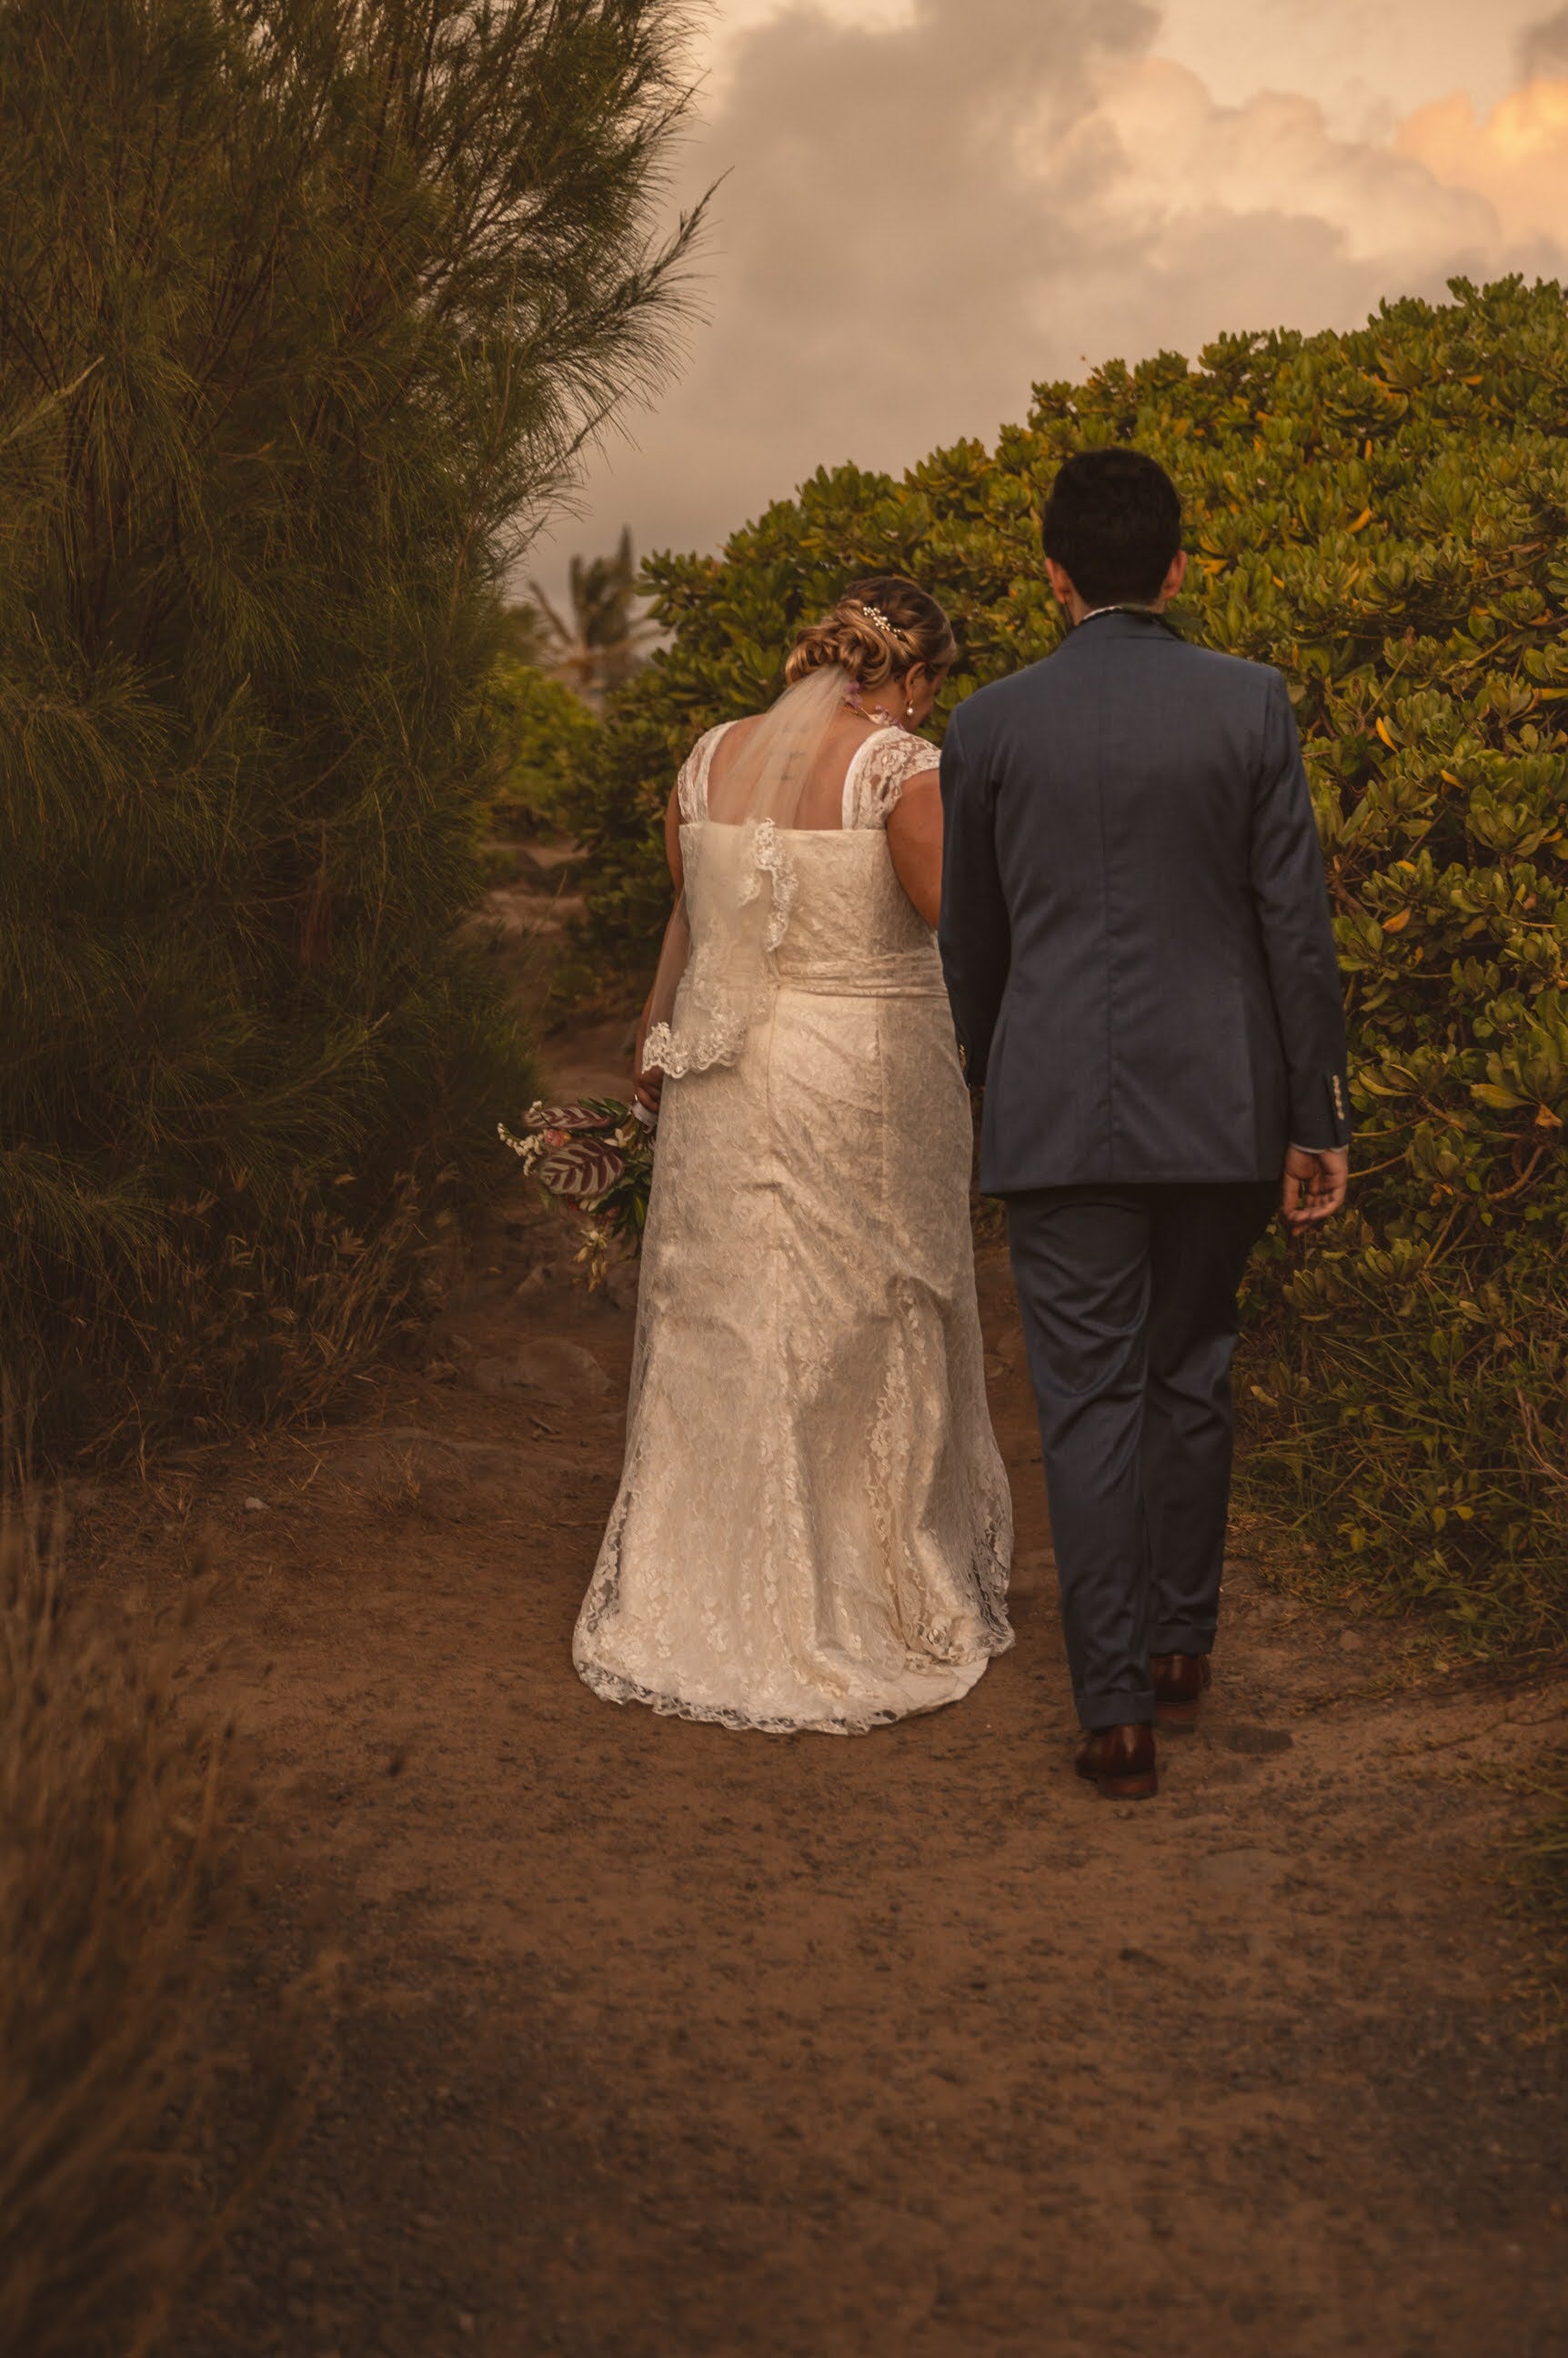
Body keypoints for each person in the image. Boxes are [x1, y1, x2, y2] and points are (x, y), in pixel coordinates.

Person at [940, 448, 1350, 1802]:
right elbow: (1296, 929)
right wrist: (1317, 1118)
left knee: (1087, 1404)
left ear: (1052, 576)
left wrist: (985, 1085)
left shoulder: (990, 726)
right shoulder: (1253, 705)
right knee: (1190, 1371)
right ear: (1178, 569)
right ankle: (1182, 1647)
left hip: (1057, 1114)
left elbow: (974, 949)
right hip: (1224, 1111)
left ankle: (1115, 1713)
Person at [573, 578, 1013, 1733]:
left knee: (721, 1314)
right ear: (914, 679)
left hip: (720, 1070)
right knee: (863, 1315)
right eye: (932, 688)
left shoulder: (711, 754)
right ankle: (855, 1591)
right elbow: (951, 921)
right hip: (853, 1076)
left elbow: (691, 913)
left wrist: (652, 1030)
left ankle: (697, 1586)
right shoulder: (899, 769)